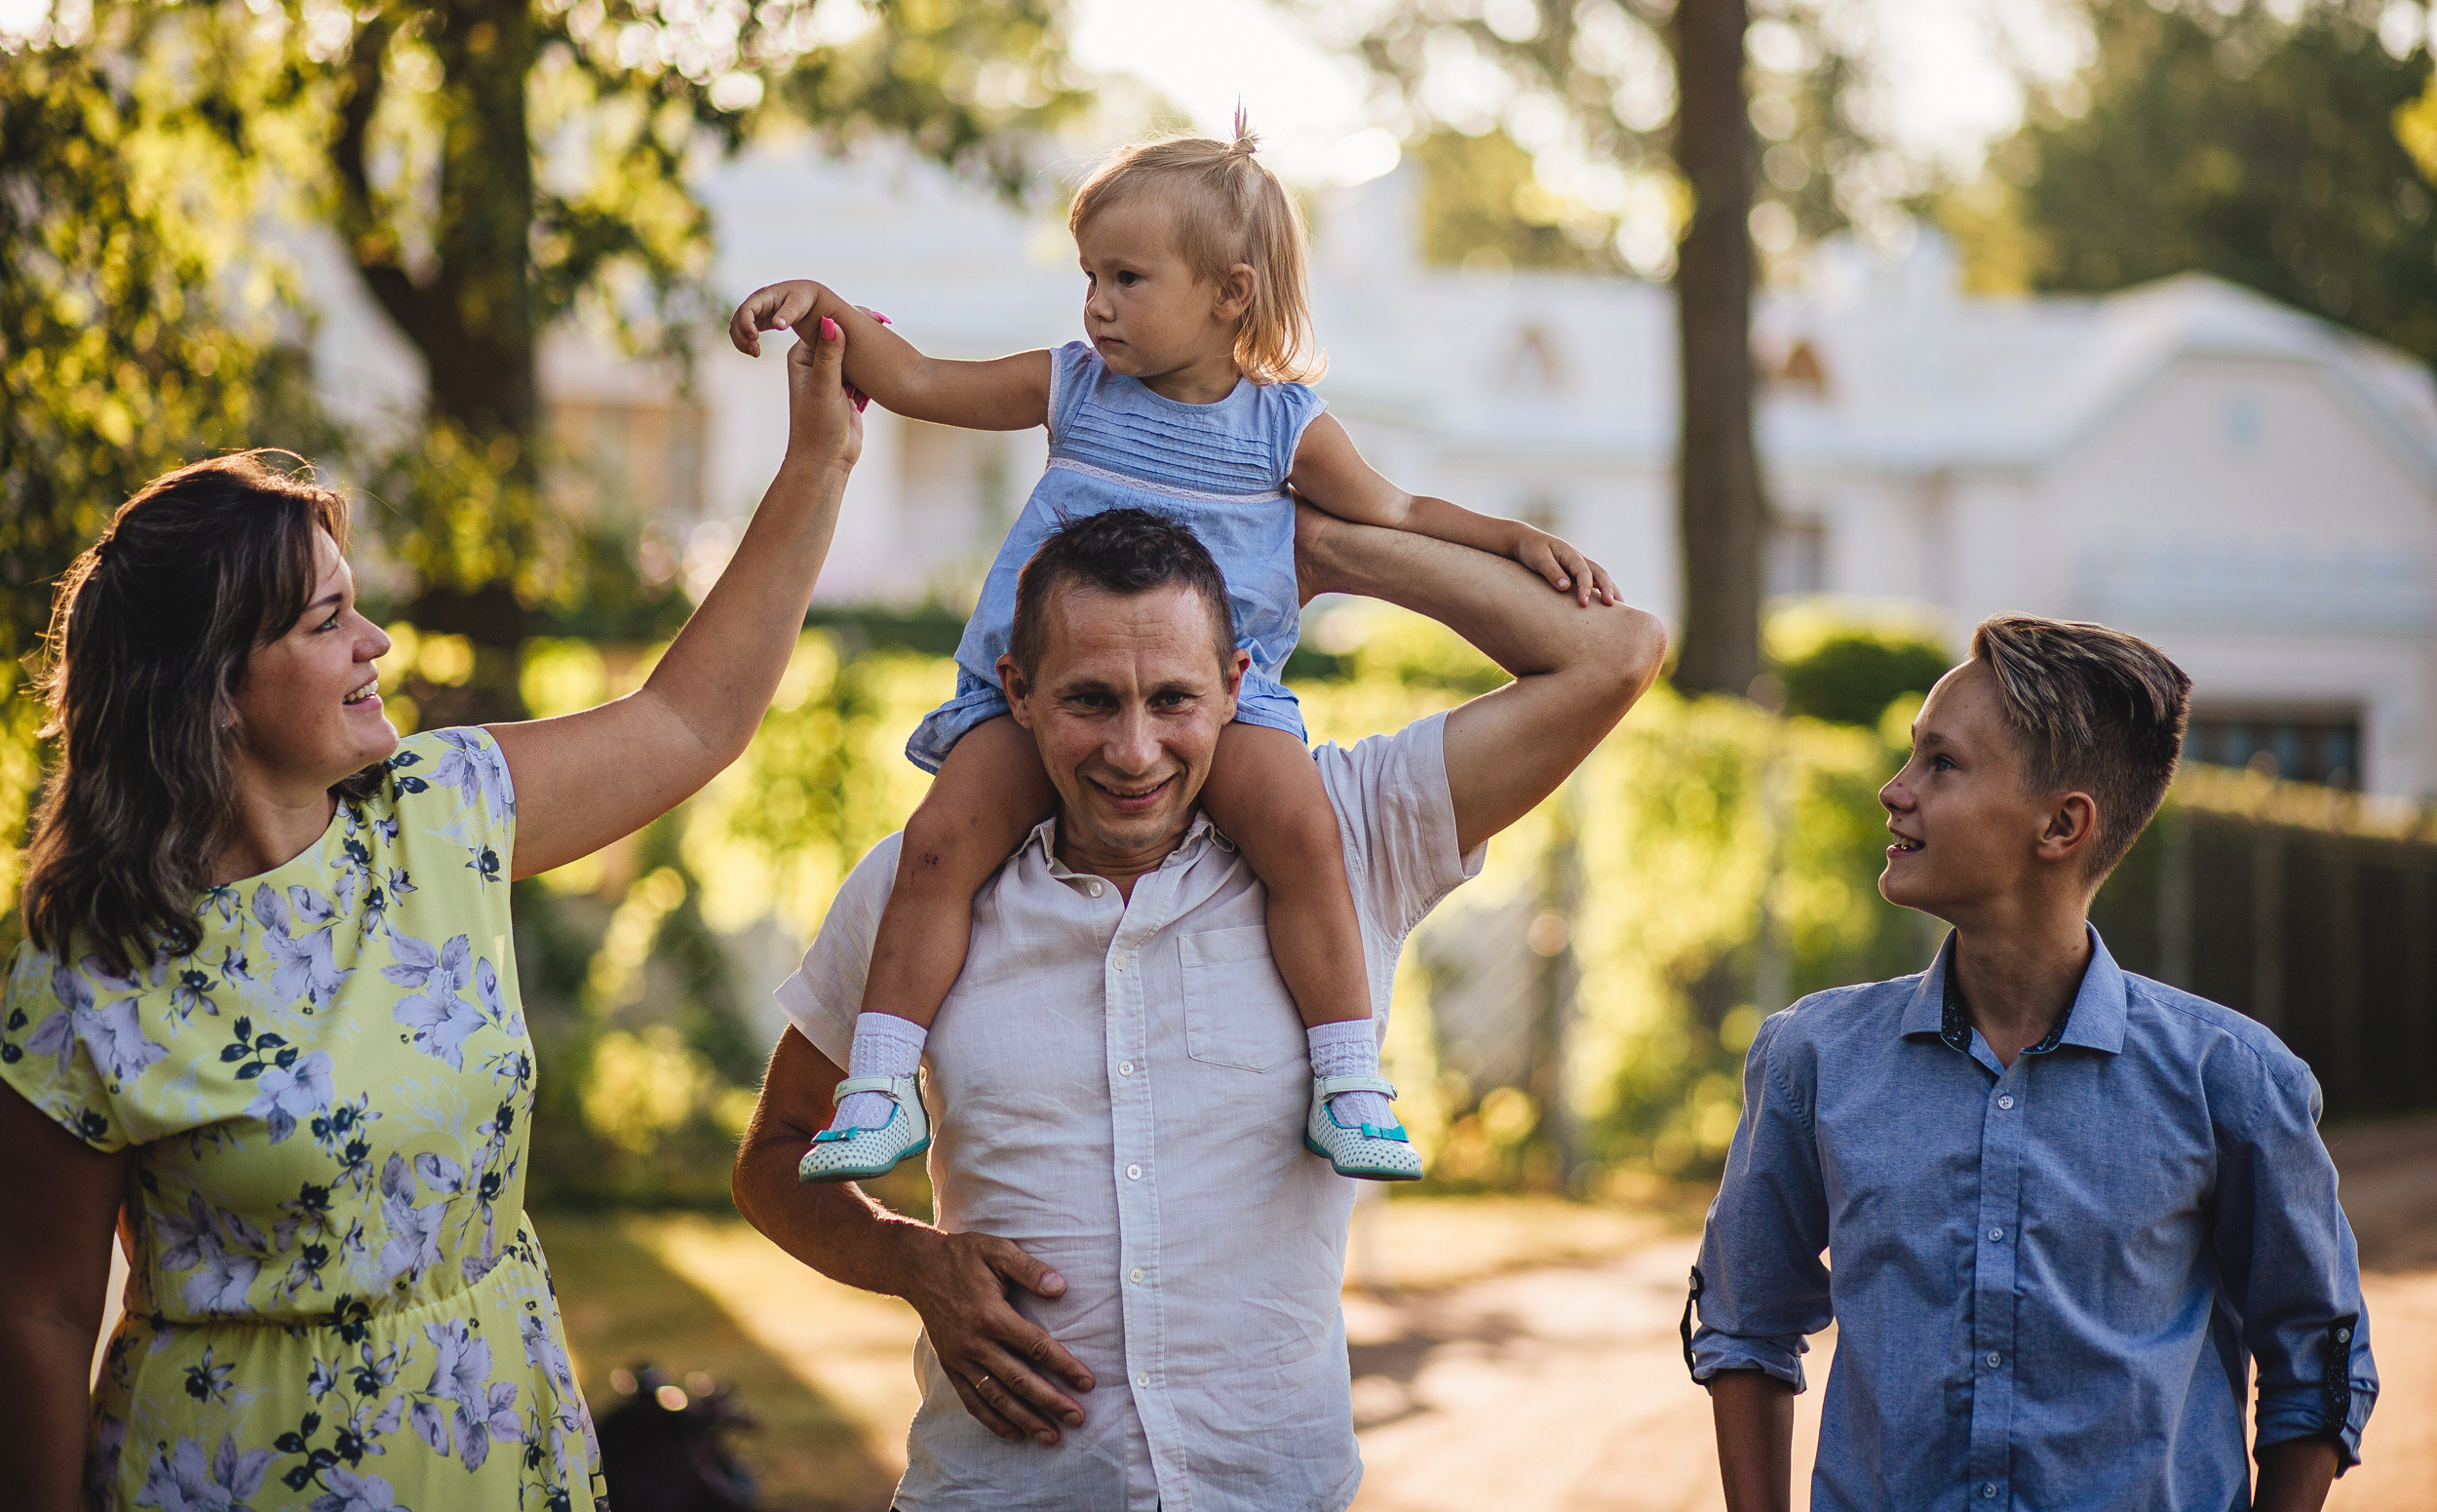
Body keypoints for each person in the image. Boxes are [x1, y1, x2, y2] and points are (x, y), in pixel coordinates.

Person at [0, 315, 867, 1512]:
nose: (377, 642)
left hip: (493, 1437)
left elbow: (690, 720)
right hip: (228, 1472)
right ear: (210, 688)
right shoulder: (88, 965)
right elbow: (37, 1309)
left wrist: (818, 459)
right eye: (325, 622)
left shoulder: (440, 812)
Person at [726, 113, 1618, 1186]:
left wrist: (1511, 535)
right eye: (1090, 275)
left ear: (1229, 293)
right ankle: (878, 1085)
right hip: (1042, 695)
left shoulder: (1283, 427)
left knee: (1302, 832)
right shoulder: (1071, 386)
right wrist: (825, 311)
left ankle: (1347, 1077)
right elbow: (918, 379)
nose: (1096, 303)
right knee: (935, 846)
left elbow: (1396, 505)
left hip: (1220, 703)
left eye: (1127, 278)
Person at [731, 503, 1665, 1510]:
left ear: (1236, 685)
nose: (1134, 751)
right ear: (1018, 691)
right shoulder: (920, 886)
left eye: (1172, 697)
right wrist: (908, 1259)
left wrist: (1329, 551)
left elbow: (1614, 652)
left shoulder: (1351, 837)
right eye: (1090, 699)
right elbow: (775, 1156)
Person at [1690, 615, 2378, 1512]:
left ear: (2062, 824)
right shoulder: (1811, 1060)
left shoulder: (2232, 1080)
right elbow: (1745, 1322)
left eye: (1941, 763)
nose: (1894, 791)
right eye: (1910, 756)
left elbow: (2316, 1362)